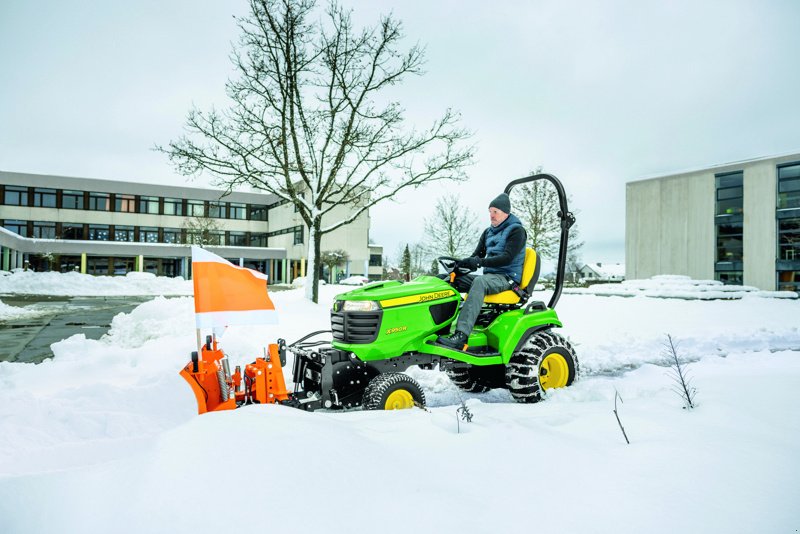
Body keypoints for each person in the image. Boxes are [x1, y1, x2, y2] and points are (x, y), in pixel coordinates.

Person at [436, 192, 527, 350]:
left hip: (506, 278)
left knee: (479, 282)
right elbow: (476, 256)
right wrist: (460, 266)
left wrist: (479, 262)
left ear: (505, 213)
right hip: (490, 277)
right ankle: (440, 328)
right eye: (490, 212)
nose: (491, 216)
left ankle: (461, 336)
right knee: (445, 279)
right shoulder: (488, 232)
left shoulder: (517, 231)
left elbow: (507, 258)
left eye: (495, 212)